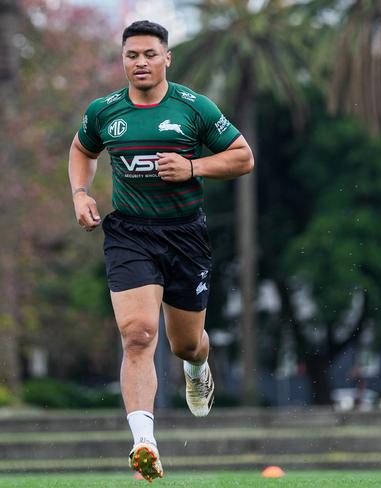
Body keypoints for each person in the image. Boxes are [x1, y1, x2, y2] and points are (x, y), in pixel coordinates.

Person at [68, 20, 254, 482]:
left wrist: (193, 166)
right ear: (123, 60)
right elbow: (81, 149)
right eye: (132, 55)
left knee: (184, 342)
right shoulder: (104, 111)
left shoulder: (193, 107)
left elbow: (242, 156)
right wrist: (80, 193)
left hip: (185, 235)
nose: (141, 63)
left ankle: (197, 368)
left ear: (167, 58)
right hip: (129, 234)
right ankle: (144, 442)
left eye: (150, 54)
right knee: (137, 334)